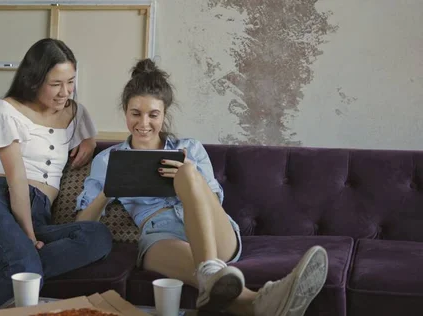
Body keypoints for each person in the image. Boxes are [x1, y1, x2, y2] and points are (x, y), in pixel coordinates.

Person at [74, 58, 328, 316]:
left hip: (213, 232)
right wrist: (107, 192)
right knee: (213, 281)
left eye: (153, 114)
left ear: (164, 114)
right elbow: (82, 223)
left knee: (187, 172)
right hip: (160, 236)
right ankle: (262, 300)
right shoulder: (108, 160)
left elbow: (213, 203)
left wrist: (188, 176)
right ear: (125, 111)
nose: (144, 123)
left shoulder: (190, 149)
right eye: (135, 114)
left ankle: (210, 269)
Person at [0, 38, 113, 316]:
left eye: (70, 82)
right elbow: (16, 182)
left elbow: (87, 134)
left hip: (38, 212)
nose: (65, 92)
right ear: (34, 80)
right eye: (56, 84)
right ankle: (0, 278)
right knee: (25, 269)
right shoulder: (7, 110)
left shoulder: (74, 111)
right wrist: (28, 235)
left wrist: (90, 142)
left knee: (98, 237)